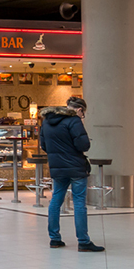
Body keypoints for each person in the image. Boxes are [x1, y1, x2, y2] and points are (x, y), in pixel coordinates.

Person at [41, 97, 104, 252]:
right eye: (83, 114)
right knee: (79, 203)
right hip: (76, 168)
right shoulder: (74, 121)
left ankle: (54, 239)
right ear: (80, 109)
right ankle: (83, 241)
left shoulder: (47, 122)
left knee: (56, 200)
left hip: (57, 168)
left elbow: (44, 145)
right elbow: (83, 145)